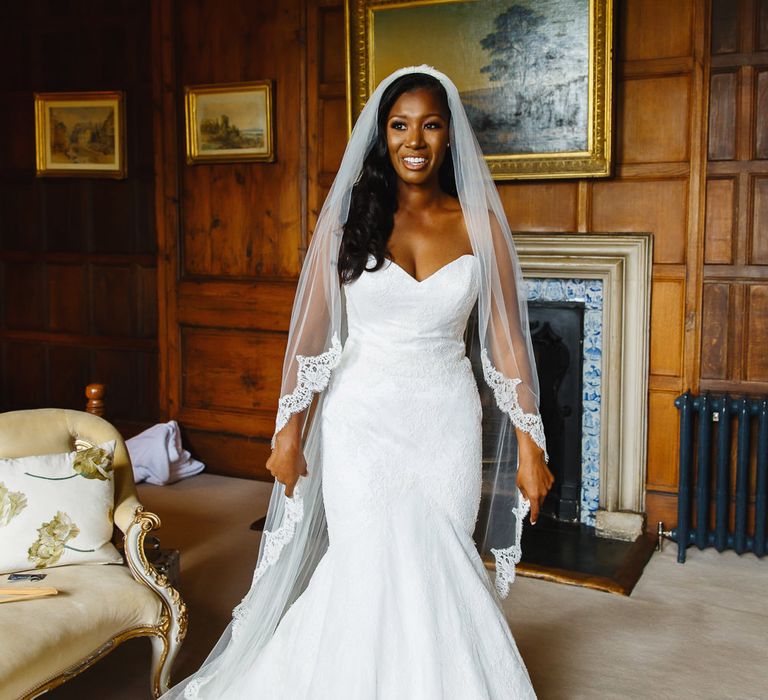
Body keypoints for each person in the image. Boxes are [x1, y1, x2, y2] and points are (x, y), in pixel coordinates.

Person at [164, 64, 553, 700]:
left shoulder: (479, 227)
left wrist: (530, 444)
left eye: (429, 126)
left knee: (441, 564)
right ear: (383, 136)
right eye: (400, 126)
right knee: (364, 563)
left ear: (450, 136)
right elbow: (311, 341)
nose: (415, 141)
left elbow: (508, 343)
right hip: (361, 420)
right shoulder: (349, 226)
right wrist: (289, 433)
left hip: (444, 421)